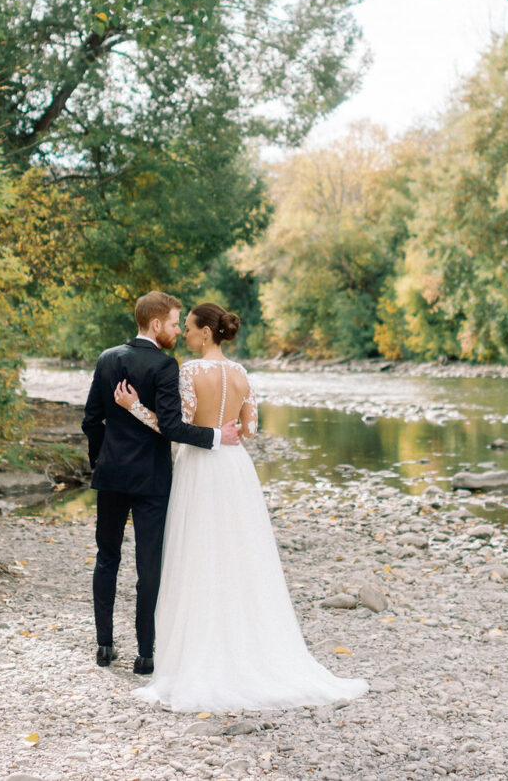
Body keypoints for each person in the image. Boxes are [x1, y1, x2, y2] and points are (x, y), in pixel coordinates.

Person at [113, 301, 369, 712]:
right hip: (235, 468)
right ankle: (249, 646)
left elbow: (175, 428)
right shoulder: (243, 374)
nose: (188, 335)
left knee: (197, 554)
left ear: (207, 333)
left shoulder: (190, 371)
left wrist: (134, 408)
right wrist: (227, 427)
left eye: (192, 329)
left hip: (200, 467)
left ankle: (200, 652)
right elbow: (250, 429)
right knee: (239, 556)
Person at [82, 291, 241, 676]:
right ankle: (145, 654)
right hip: (152, 481)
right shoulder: (166, 366)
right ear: (156, 324)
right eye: (173, 323)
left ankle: (104, 646)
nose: (176, 330)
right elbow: (171, 427)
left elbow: (91, 420)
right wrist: (218, 437)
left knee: (107, 558)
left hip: (112, 476)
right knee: (148, 565)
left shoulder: (106, 360)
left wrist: (102, 462)